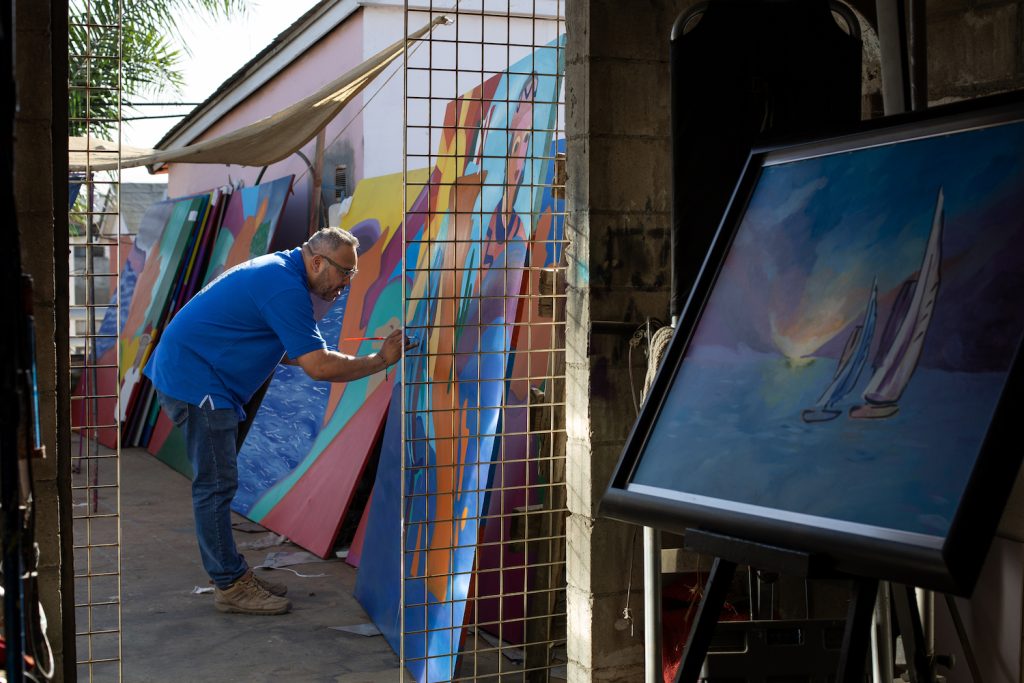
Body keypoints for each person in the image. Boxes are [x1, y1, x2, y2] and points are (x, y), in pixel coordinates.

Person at [144, 227, 412, 615]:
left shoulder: (283, 271)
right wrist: (381, 360)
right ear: (318, 262)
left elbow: (292, 351)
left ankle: (229, 573)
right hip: (197, 380)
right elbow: (316, 367)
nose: (346, 284)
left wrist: (316, 351)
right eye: (344, 273)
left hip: (198, 374)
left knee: (218, 482)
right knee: (216, 485)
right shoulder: (284, 286)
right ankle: (230, 585)